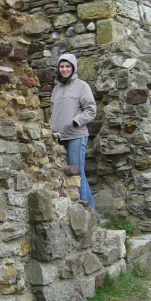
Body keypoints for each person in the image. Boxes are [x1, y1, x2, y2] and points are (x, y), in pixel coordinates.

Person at [50, 53, 97, 210]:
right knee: (63, 175)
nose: (64, 69)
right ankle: (75, 212)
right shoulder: (56, 89)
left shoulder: (81, 86)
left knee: (77, 173)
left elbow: (91, 110)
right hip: (58, 137)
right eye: (62, 66)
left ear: (73, 68)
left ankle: (89, 212)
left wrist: (76, 121)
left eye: (67, 66)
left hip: (76, 135)